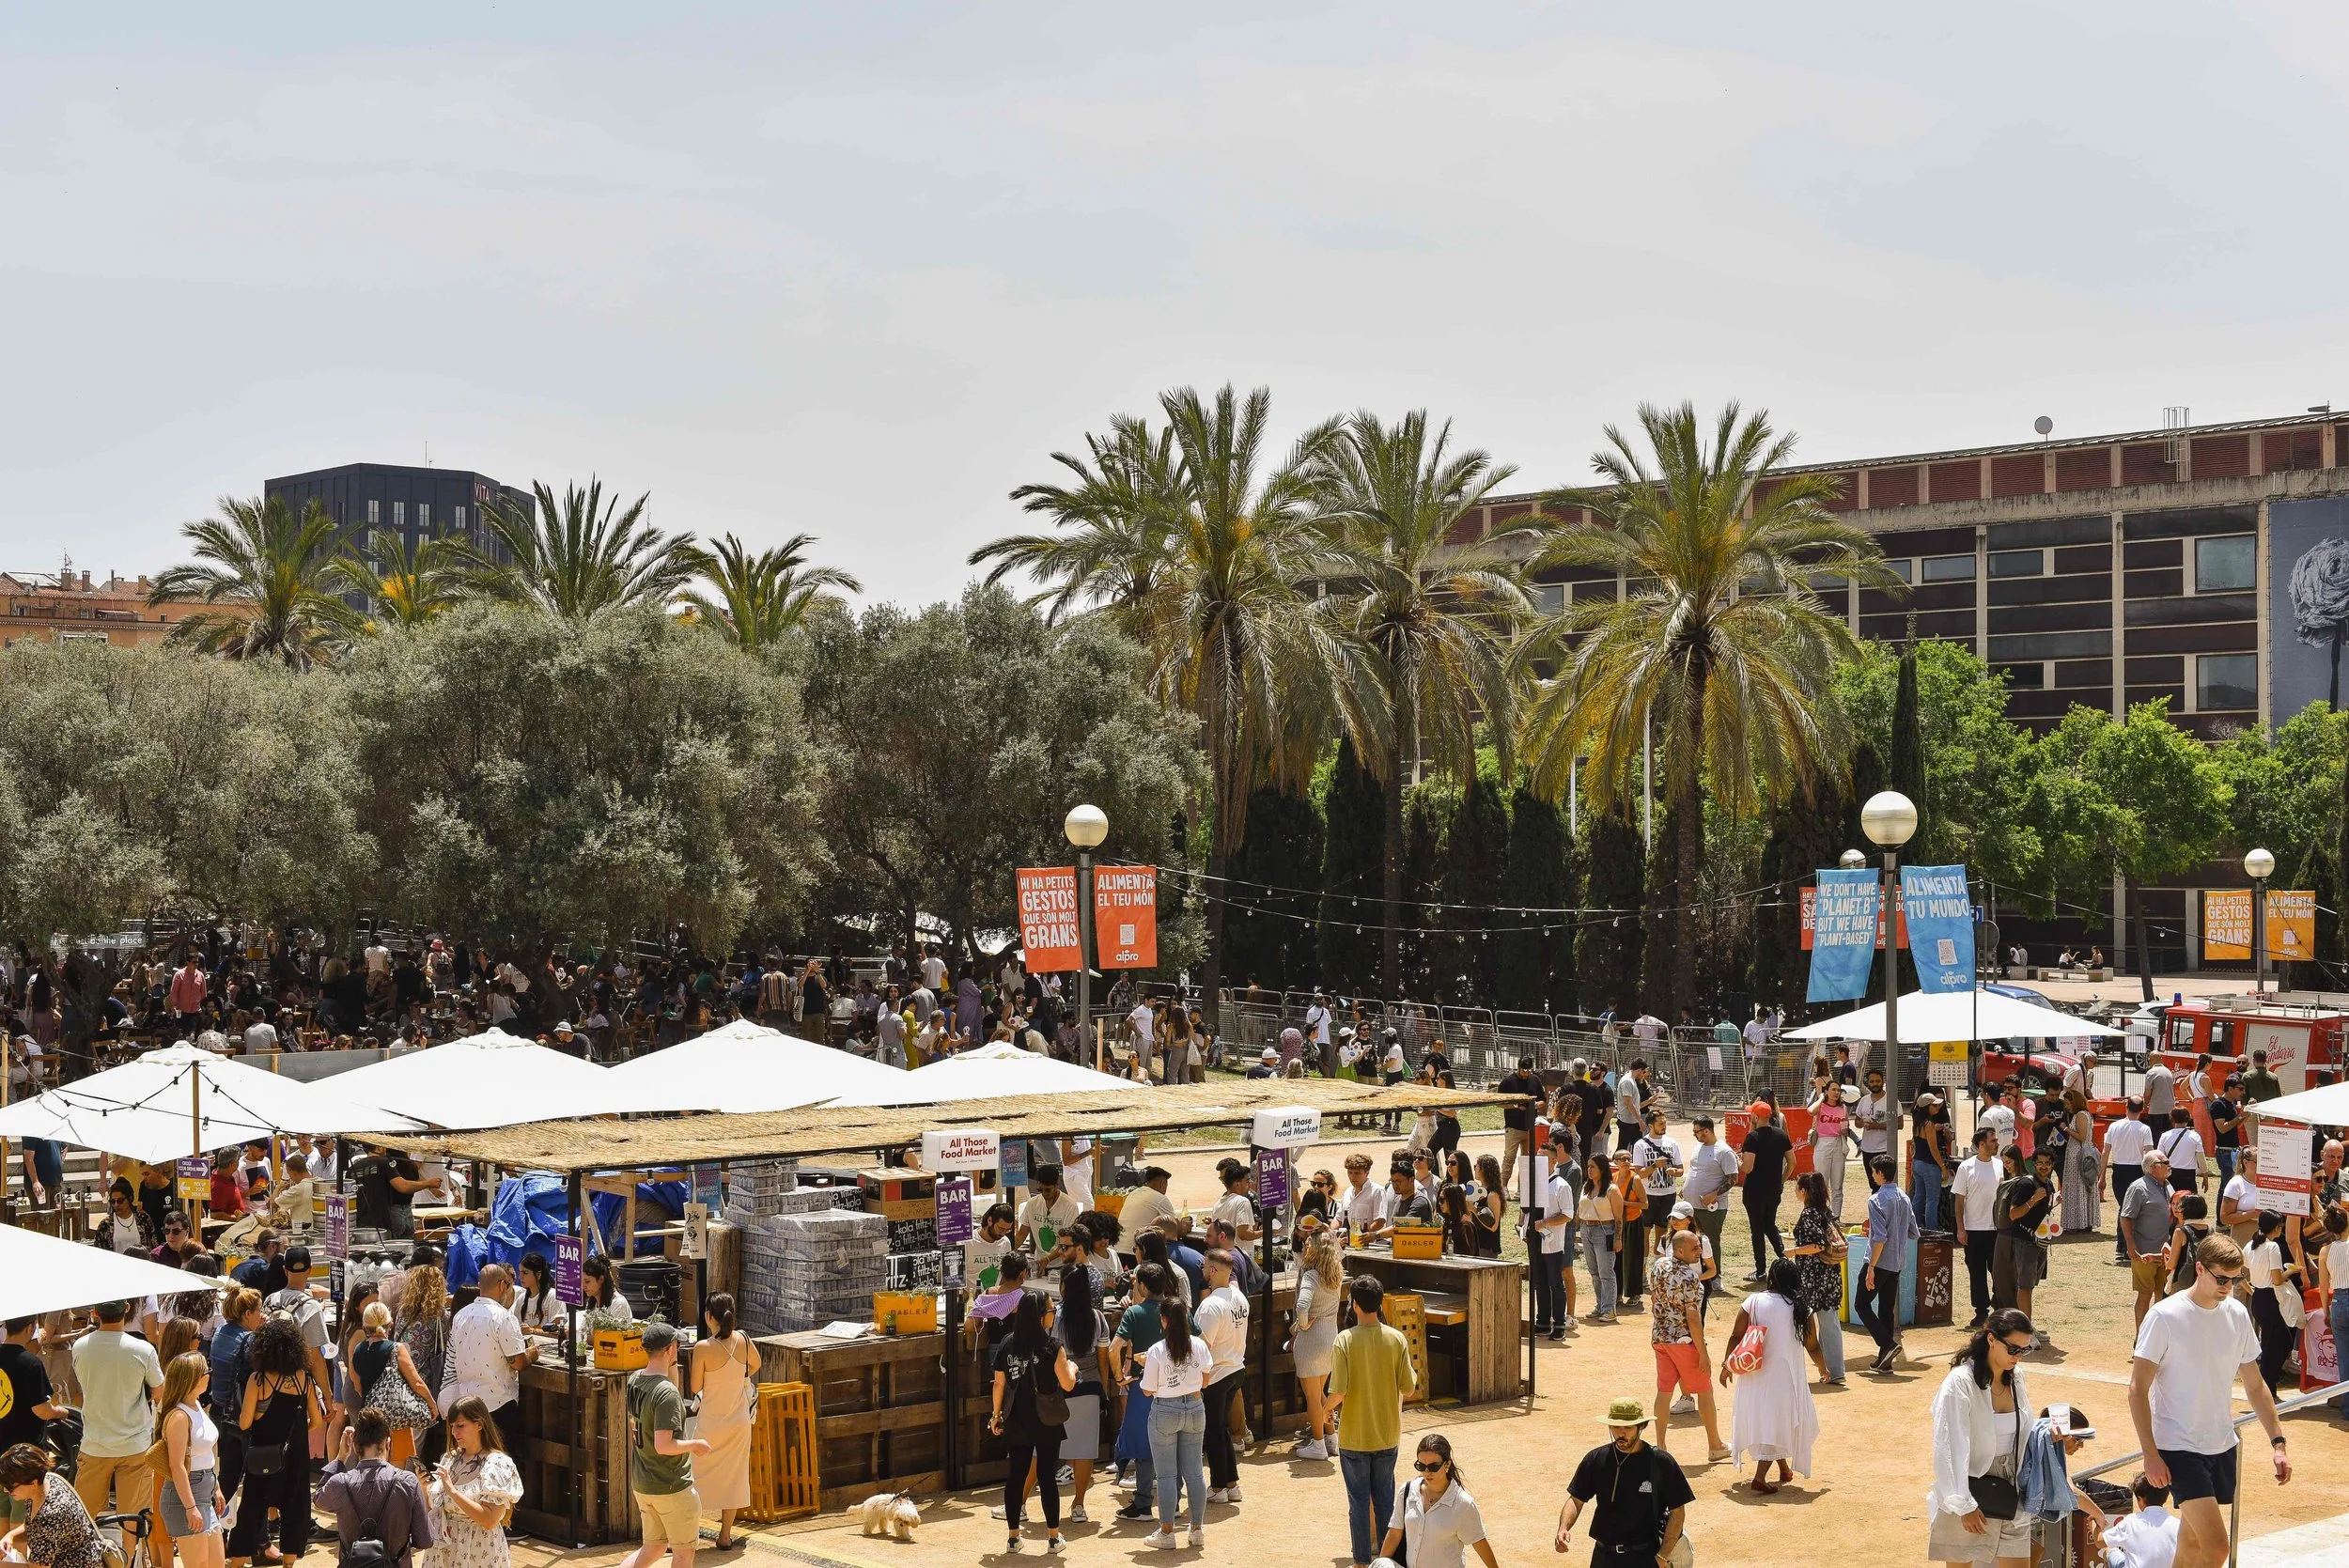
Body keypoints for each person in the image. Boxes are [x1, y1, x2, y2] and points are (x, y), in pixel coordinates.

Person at [2128, 1234, 2292, 1568]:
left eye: (2235, 1279)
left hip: (2220, 1443)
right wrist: (2150, 1454)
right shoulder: (2163, 1316)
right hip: (2178, 1447)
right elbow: (2136, 1389)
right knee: (2217, 1549)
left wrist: (2278, 1442)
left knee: (2190, 1545)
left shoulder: (2237, 1314)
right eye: (2221, 1279)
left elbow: (2255, 1385)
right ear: (2199, 1268)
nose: (2228, 1287)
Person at [1329, 1275, 1416, 1568]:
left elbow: (1338, 1391)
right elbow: (1409, 1387)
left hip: (1354, 1437)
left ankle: (1362, 1562)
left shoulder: (1345, 1340)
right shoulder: (1396, 1338)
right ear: (1380, 1304)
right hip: (1388, 1435)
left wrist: (1323, 1409)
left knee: (1358, 1503)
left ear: (1354, 1305)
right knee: (1385, 1502)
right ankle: (1387, 1560)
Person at [226, 1314, 327, 1568]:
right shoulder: (305, 1379)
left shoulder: (258, 1380)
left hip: (263, 1456)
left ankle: (237, 1563)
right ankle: (289, 1564)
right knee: (294, 1509)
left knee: (251, 1511)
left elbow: (245, 1422)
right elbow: (316, 1421)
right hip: (294, 1458)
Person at [1720, 1258, 1823, 1494]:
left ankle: (1784, 1468)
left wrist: (1727, 1365)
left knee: (1768, 1420)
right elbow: (1813, 1346)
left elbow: (1736, 1336)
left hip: (1754, 1374)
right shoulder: (1801, 1308)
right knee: (1778, 1421)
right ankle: (1759, 1477)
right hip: (1784, 1377)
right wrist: (1823, 1369)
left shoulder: (1753, 1301)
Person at [1556, 1397, 1692, 1568]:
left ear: (1641, 1426)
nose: (1621, 1433)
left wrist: (1662, 1557)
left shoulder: (1660, 1462)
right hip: (1603, 1556)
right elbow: (1576, 1499)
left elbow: (1678, 1512)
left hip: (1645, 1556)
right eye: (1616, 1427)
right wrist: (1563, 1527)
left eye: (1628, 1427)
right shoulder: (1596, 1459)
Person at [988, 1290, 1074, 1553]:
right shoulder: (1053, 1347)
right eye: (1050, 1311)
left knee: (1016, 1476)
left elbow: (999, 1383)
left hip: (1016, 1418)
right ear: (1039, 1317)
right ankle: (1053, 1537)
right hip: (1047, 1419)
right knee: (1047, 1477)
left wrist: (995, 1415)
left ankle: (1013, 1538)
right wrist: (1073, 1367)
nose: (1052, 1316)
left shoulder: (1007, 1344)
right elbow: (1068, 1384)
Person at [620, 1322, 710, 1568]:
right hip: (671, 1486)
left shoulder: (635, 1380)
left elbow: (670, 1388)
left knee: (654, 1546)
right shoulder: (666, 1394)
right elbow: (664, 1445)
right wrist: (695, 1444)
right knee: (684, 1552)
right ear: (671, 1349)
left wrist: (671, 1366)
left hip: (644, 1482)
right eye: (676, 1346)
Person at [69, 1298, 163, 1523]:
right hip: (135, 1444)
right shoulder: (143, 1349)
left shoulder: (80, 1346)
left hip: (94, 1443)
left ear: (95, 1313)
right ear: (127, 1309)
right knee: (132, 1520)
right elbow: (159, 1391)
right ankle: (129, 1558)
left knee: (84, 1519)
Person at [317, 1407, 432, 1568]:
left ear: (355, 1446)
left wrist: (340, 1458)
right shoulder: (408, 1482)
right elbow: (425, 1540)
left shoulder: (339, 1483)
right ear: (388, 1444)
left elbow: (318, 1498)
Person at [689, 1295, 761, 1550]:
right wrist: (738, 1376)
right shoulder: (743, 1339)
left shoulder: (703, 1348)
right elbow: (757, 1363)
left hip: (711, 1422)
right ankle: (725, 1535)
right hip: (738, 1421)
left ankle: (687, 1534)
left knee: (695, 1476)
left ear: (709, 1316)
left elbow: (695, 1386)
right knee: (734, 1475)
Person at [1648, 1231, 1727, 1463]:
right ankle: (1715, 1445)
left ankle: (1660, 1446)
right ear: (1680, 1250)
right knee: (1704, 1389)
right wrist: (1703, 1353)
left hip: (1660, 1337)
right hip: (1683, 1341)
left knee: (1664, 1391)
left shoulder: (1658, 1266)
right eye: (1695, 1248)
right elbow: (1693, 1318)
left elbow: (1653, 1300)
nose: (1700, 1252)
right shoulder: (1690, 1277)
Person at [440, 1264, 529, 1460]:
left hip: (468, 1402)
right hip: (498, 1402)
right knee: (500, 1460)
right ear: (502, 1286)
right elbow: (518, 1363)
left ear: (480, 1285)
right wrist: (532, 1355)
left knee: (472, 1459)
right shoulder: (504, 1317)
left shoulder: (461, 1316)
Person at [1140, 1297, 1208, 1551]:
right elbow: (1205, 1381)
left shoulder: (1157, 1350)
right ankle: (1197, 1529)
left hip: (1165, 1410)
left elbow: (1147, 1390)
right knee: (1195, 1473)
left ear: (1164, 1320)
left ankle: (1167, 1532)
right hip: (1194, 1406)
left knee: (1167, 1475)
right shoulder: (1199, 1345)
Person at [426, 1397, 524, 1568]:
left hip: (477, 1552)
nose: (455, 1432)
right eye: (452, 1427)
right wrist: (423, 1486)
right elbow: (435, 1510)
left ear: (479, 1424)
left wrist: (453, 1492)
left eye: (460, 1426)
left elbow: (489, 1520)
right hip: (443, 1550)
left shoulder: (497, 1465)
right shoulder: (450, 1459)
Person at [1375, 1434, 1497, 1568]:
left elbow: (1479, 1542)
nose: (1427, 1472)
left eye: (1433, 1467)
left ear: (1447, 1464)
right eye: (1421, 1466)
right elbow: (1395, 1534)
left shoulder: (1463, 1504)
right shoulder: (1407, 1491)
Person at [1109, 1264, 1171, 1523]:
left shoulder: (1134, 1312)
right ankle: (1173, 1504)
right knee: (1173, 1448)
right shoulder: (1176, 1308)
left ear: (1143, 1286)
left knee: (1142, 1446)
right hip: (1175, 1386)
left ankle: (1144, 1503)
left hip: (1143, 1386)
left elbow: (1114, 1349)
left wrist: (1119, 1378)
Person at [153, 1352, 224, 1568]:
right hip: (186, 1496)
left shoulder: (196, 1406)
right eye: (206, 1371)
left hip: (203, 1490)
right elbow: (177, 1466)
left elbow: (203, 1455)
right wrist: (190, 1507)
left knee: (216, 1563)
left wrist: (216, 1488)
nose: (210, 1375)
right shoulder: (179, 1416)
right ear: (192, 1378)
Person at [1192, 1250, 1250, 1503]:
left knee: (1214, 1431)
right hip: (1236, 1368)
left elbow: (1202, 1344)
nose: (1203, 1270)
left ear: (1213, 1270)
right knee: (1221, 1429)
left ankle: (1218, 1487)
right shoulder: (1239, 1297)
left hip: (1217, 1373)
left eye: (1205, 1266)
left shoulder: (1211, 1305)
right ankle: (1231, 1484)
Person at [352, 1300, 439, 1467]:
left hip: (369, 1420)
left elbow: (358, 1385)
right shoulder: (396, 1349)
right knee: (396, 1469)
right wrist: (431, 1404)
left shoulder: (358, 1350)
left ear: (365, 1325)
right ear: (390, 1323)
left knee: (372, 1467)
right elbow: (417, 1383)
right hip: (397, 1419)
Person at [1859, 1155, 1919, 1374]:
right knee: (1886, 1309)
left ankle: (1887, 1345)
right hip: (1896, 1262)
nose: (1872, 1175)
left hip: (1878, 1261)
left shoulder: (1875, 1200)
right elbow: (1913, 1232)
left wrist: (1871, 1268)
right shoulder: (1904, 1198)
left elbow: (1880, 1237)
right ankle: (1885, 1360)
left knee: (1861, 1304)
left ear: (1881, 1174)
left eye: (1874, 1172)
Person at [1787, 1172, 1847, 1385]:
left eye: (1797, 1187)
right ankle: (1830, 1370)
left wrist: (1794, 1251)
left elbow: (1819, 1245)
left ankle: (1835, 1371)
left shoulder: (1809, 1214)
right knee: (1828, 1320)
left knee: (1826, 1322)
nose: (1795, 1190)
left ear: (1804, 1191)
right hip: (1828, 1274)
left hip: (1816, 1276)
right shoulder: (1825, 1211)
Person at [1055, 1264, 1105, 1523]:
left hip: (1062, 1388)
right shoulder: (1097, 1317)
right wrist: (1104, 1386)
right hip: (1090, 1387)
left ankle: (1022, 1506)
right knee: (1085, 1449)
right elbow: (1103, 1357)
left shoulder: (1055, 1316)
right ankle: (1078, 1505)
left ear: (1063, 1287)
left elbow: (1052, 1354)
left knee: (1045, 1448)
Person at [0, 1444, 102, 1568]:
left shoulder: (50, 1515)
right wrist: (11, 1536)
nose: (6, 1490)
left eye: (11, 1487)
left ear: (32, 1482)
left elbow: (37, 1567)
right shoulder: (47, 1481)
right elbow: (33, 1526)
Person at [1290, 1232, 1344, 1459]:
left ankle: (1318, 1444)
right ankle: (1331, 1438)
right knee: (1319, 1394)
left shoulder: (1311, 1276)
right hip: (1330, 1339)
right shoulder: (1336, 1275)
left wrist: (1302, 1325)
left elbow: (1302, 1306)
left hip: (1311, 1342)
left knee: (1312, 1397)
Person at [1951, 1128, 2003, 1330]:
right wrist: (1961, 1228)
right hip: (1973, 1229)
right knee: (1977, 1273)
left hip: (1996, 1228)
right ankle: (1981, 1312)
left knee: (1998, 1272)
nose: (1996, 1143)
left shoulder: (1999, 1165)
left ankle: (1999, 1307)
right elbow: (1959, 1199)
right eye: (1993, 1140)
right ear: (1982, 1144)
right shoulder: (1966, 1167)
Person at [2244, 1212, 2300, 1395]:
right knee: (2281, 1342)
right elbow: (2277, 1279)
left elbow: (2241, 1270)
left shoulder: (2250, 1246)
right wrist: (2292, 1271)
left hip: (2259, 1297)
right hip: (2269, 1297)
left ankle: (2267, 1385)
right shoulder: (2272, 1247)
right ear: (2276, 1228)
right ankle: (2267, 1386)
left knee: (2270, 1343)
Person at [1993, 1146, 2051, 1319]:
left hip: (2020, 1238)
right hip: (2009, 1236)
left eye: (2009, 1162)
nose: (2007, 1165)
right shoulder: (2018, 1181)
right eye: (2004, 1162)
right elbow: (2012, 1213)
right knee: (2009, 1281)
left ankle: (2021, 1325)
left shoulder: (2028, 1182)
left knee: (2021, 1283)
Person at [1736, 1101, 1792, 1279]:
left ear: (1755, 1116)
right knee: (1770, 1224)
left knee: (1757, 1229)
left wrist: (1737, 1161)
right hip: (1774, 1189)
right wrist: (1782, 1180)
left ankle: (1760, 1270)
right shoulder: (1781, 1134)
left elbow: (1748, 1168)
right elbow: (1793, 1162)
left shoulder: (1753, 1137)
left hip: (1755, 1191)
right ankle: (1784, 1257)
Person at [2120, 1151, 2176, 1327]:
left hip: (2166, 1253)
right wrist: (2130, 1244)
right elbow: (2126, 1216)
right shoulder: (2138, 1188)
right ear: (2152, 1168)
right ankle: (2141, 1339)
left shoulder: (2167, 1185)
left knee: (2163, 1295)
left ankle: (2157, 1338)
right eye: (2164, 1162)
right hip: (2144, 1251)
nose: (2169, 1164)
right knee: (2145, 1294)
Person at [2106, 1098, 2156, 1265]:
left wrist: (2101, 1176)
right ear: (2142, 1109)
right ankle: (2128, 1246)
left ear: (2126, 1107)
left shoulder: (2114, 1126)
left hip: (2119, 1170)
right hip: (2137, 1170)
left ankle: (2122, 1246)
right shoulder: (2145, 1129)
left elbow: (2105, 1152)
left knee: (2124, 1208)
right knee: (2134, 1210)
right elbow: (2149, 1154)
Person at [1577, 1153, 1622, 1326]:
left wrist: (1618, 1239)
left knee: (1606, 1272)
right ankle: (1600, 1304)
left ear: (1602, 1169)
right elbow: (1580, 1211)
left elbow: (1618, 1218)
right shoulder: (1586, 1187)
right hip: (1586, 1230)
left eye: (1592, 1166)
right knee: (1594, 1271)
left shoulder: (1612, 1190)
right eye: (1588, 1166)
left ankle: (1609, 1309)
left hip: (1605, 1230)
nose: (1589, 1170)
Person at [2100, 1474, 2181, 1568]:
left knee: (2109, 1550)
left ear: (2140, 1499)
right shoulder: (2177, 1525)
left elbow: (2100, 1541)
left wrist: (2093, 1521)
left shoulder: (2131, 1521)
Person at [2059, 1089, 2101, 1234]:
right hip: (2078, 1153)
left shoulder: (2081, 1115)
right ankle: (2082, 1221)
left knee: (2079, 1187)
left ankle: (2080, 1222)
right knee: (2080, 1187)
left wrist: (2065, 1129)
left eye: (2068, 1103)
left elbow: (2082, 1137)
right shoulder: (2083, 1114)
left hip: (2078, 1155)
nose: (2066, 1106)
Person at [1117, 1167, 1178, 1239]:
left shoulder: (1133, 1194)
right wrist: (1185, 1226)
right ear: (1162, 1184)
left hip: (1117, 1246)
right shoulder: (1160, 1198)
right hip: (1137, 1248)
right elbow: (1175, 1228)